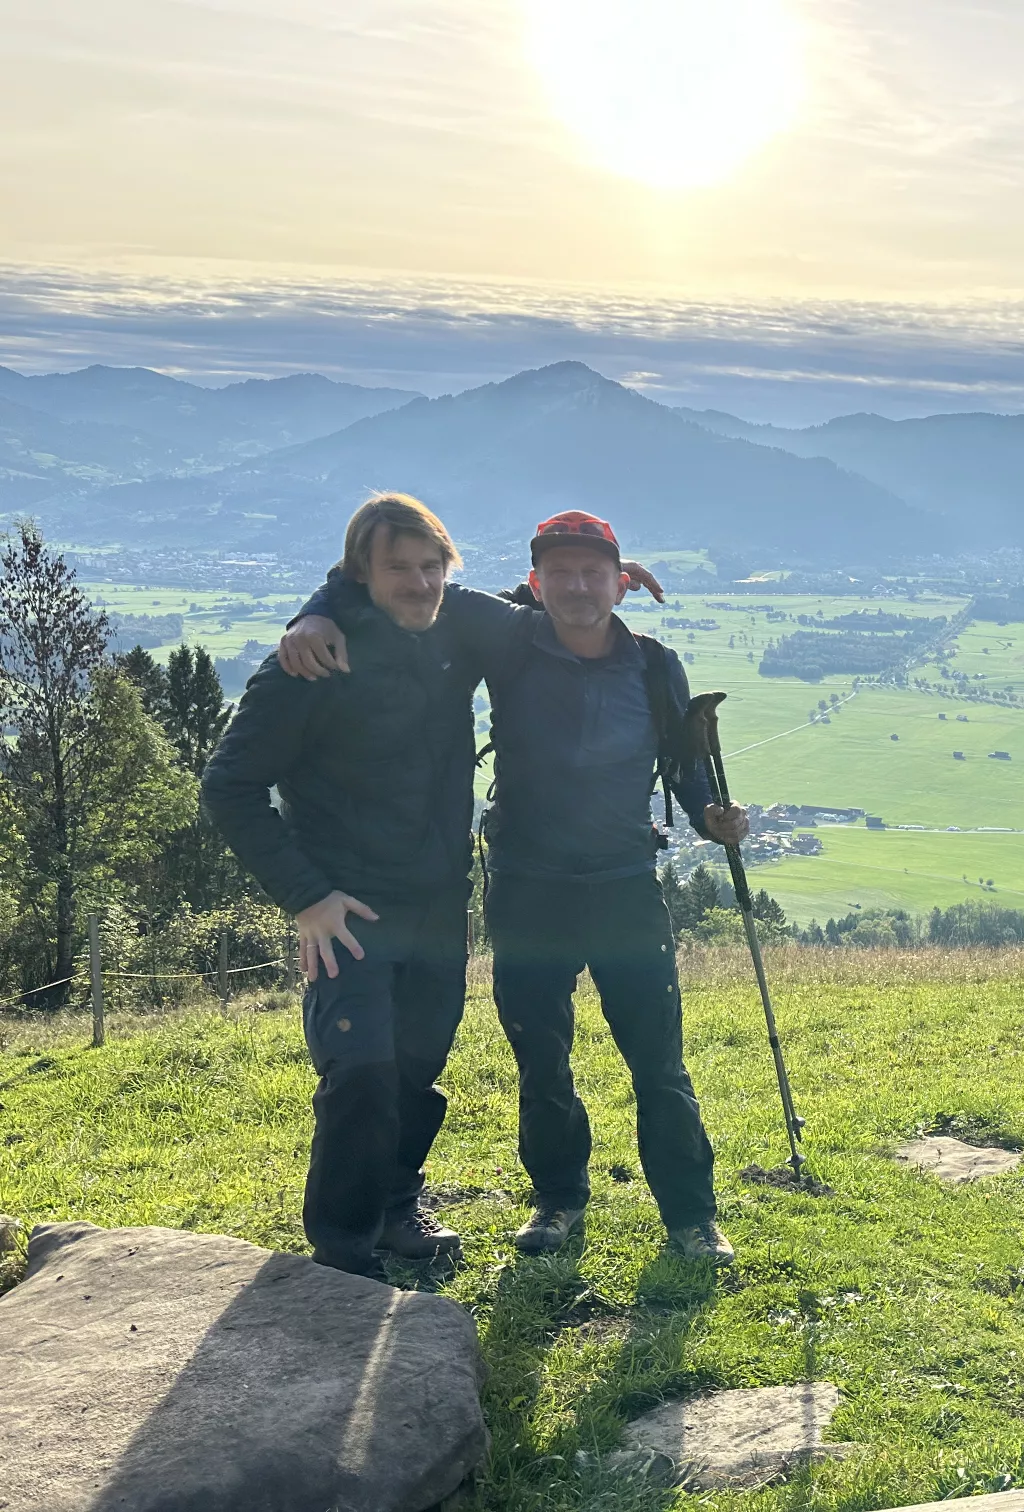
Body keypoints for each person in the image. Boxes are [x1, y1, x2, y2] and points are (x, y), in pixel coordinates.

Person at [278, 510, 749, 1264]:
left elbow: (683, 763)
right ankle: (558, 1200)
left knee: (658, 1060)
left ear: (621, 583)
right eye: (558, 572)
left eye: (593, 573)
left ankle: (691, 1216)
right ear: (533, 584)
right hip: (528, 886)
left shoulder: (657, 667)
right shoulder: (507, 641)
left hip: (625, 884)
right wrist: (316, 611)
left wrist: (710, 814)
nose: (576, 586)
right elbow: (404, 587)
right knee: (542, 1057)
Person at [202, 494, 482, 1279]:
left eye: (432, 566)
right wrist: (306, 895)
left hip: (437, 902)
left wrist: (602, 576)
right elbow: (228, 787)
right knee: (359, 1072)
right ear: (362, 571)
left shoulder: (453, 630)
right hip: (349, 909)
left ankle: (396, 1206)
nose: (419, 583)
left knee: (417, 1065)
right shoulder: (309, 662)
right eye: (398, 567)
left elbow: (537, 616)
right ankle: (343, 1251)